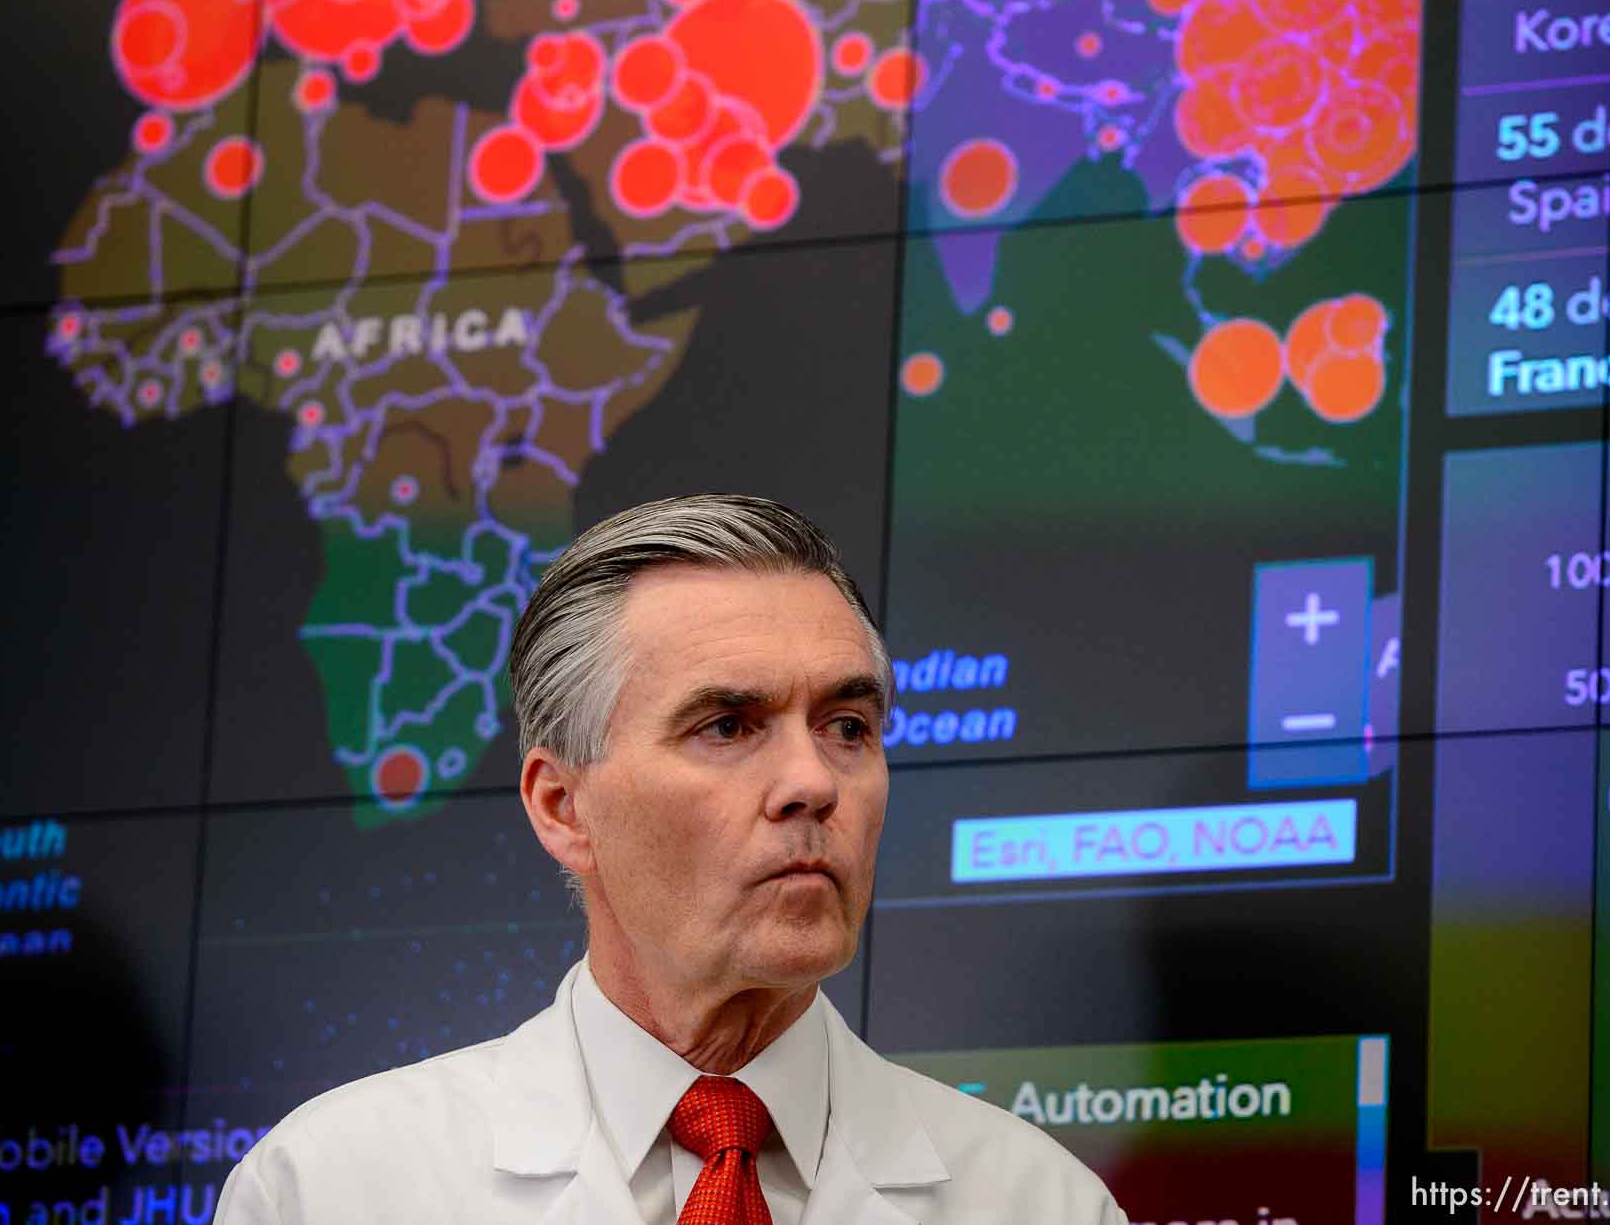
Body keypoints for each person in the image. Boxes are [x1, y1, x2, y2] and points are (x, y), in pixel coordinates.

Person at [212, 495, 1127, 1224]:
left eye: (847, 727)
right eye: (726, 726)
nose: (812, 782)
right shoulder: (331, 1190)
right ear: (562, 807)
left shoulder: (1040, 1203)